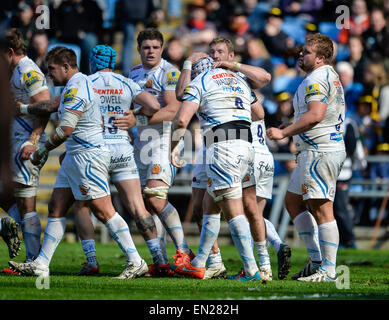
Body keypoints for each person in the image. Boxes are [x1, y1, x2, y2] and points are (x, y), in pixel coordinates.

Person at [9, 46, 147, 279]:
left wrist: (41, 151)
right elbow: (50, 106)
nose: (49, 75)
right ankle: (41, 263)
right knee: (57, 205)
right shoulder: (73, 86)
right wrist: (21, 108)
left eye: (52, 69)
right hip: (76, 155)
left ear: (66, 67)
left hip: (88, 155)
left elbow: (65, 129)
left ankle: (136, 260)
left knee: (104, 211)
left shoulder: (77, 87)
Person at [171, 47, 272, 281]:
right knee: (209, 204)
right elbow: (258, 112)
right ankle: (199, 263)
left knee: (234, 211)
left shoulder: (201, 81)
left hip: (222, 145)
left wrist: (173, 146)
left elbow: (182, 118)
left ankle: (252, 270)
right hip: (247, 146)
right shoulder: (238, 79)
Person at [73, 45, 174, 277]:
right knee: (139, 208)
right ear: (113, 62)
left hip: (95, 149)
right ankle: (159, 260)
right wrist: (133, 115)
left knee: (90, 206)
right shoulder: (126, 82)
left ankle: (97, 260)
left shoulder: (86, 82)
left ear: (92, 62)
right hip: (122, 148)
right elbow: (154, 105)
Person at [267, 33, 346, 282]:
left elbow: (315, 115)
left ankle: (328, 270)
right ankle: (316, 261)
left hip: (319, 150)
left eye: (307, 52)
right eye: (301, 50)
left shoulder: (317, 78)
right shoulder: (324, 76)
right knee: (294, 201)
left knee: (322, 209)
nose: (301, 54)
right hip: (313, 150)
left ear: (321, 58)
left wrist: (284, 132)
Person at [117, 28, 195, 269]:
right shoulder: (134, 72)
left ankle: (184, 250)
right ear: (139, 50)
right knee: (147, 203)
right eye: (146, 47)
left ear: (162, 49)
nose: (150, 51)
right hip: (141, 141)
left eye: (155, 47)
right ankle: (160, 260)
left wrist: (137, 120)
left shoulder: (169, 73)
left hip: (164, 140)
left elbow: (173, 111)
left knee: (155, 196)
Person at [0, 28, 51, 263]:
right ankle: (9, 225)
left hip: (25, 145)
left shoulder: (28, 71)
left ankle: (33, 260)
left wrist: (33, 140)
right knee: (12, 197)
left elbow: (46, 106)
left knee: (26, 202)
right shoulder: (13, 70)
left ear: (10, 52)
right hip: (13, 143)